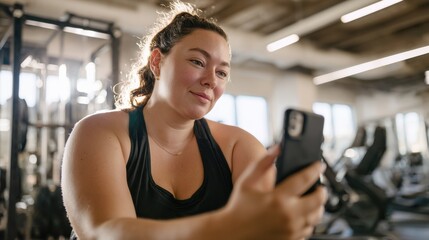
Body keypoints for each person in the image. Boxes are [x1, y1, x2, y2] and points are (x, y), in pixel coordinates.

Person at [61, 1, 327, 239]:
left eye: (222, 72)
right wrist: (232, 227)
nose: (211, 80)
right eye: (198, 61)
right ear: (156, 62)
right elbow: (103, 234)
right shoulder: (101, 132)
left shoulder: (238, 146)